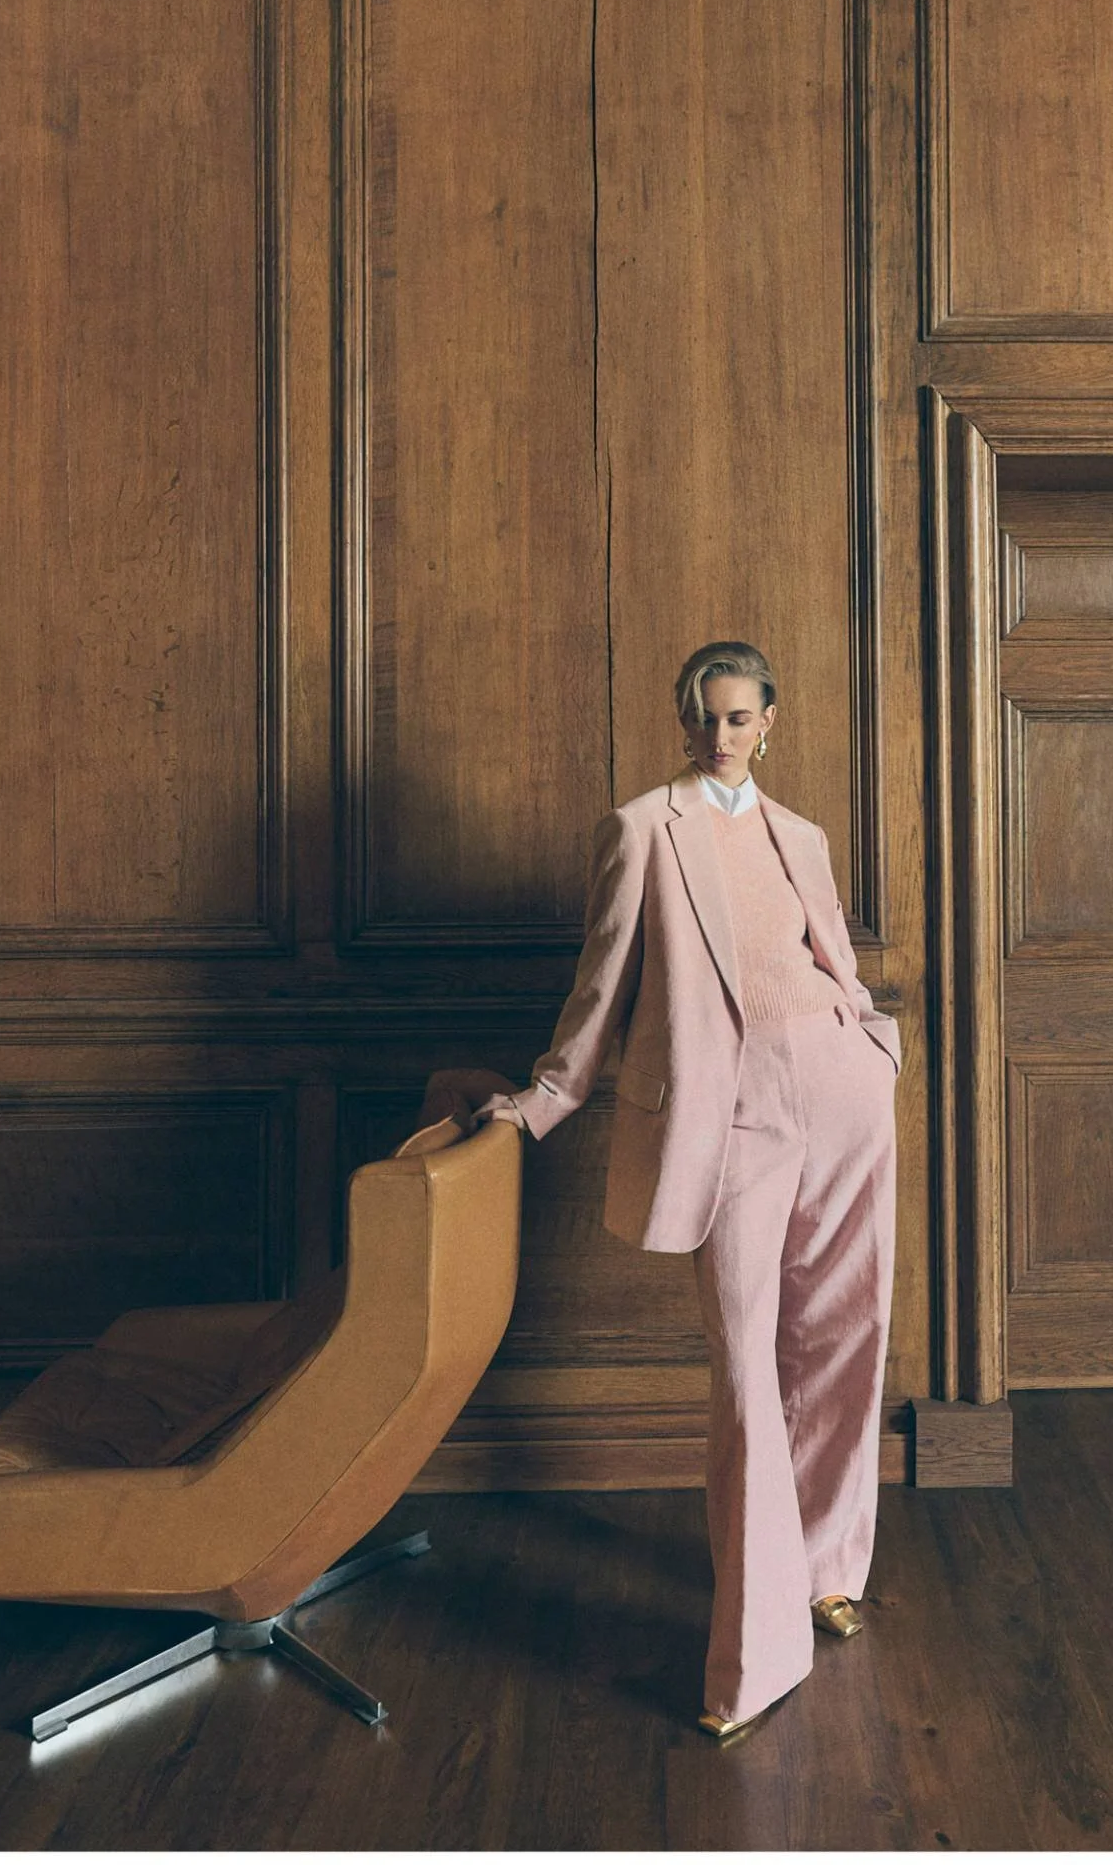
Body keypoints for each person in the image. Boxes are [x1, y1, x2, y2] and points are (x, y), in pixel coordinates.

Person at [464, 640, 900, 1739]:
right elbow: (601, 985)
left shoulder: (802, 835)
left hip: (842, 1087)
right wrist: (545, 1099)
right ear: (683, 721)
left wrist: (874, 1042)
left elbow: (832, 960)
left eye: (741, 718)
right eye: (706, 719)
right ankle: (755, 1655)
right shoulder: (641, 829)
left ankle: (828, 1569)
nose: (723, 736)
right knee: (747, 1357)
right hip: (735, 1114)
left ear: (770, 723)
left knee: (848, 1330)